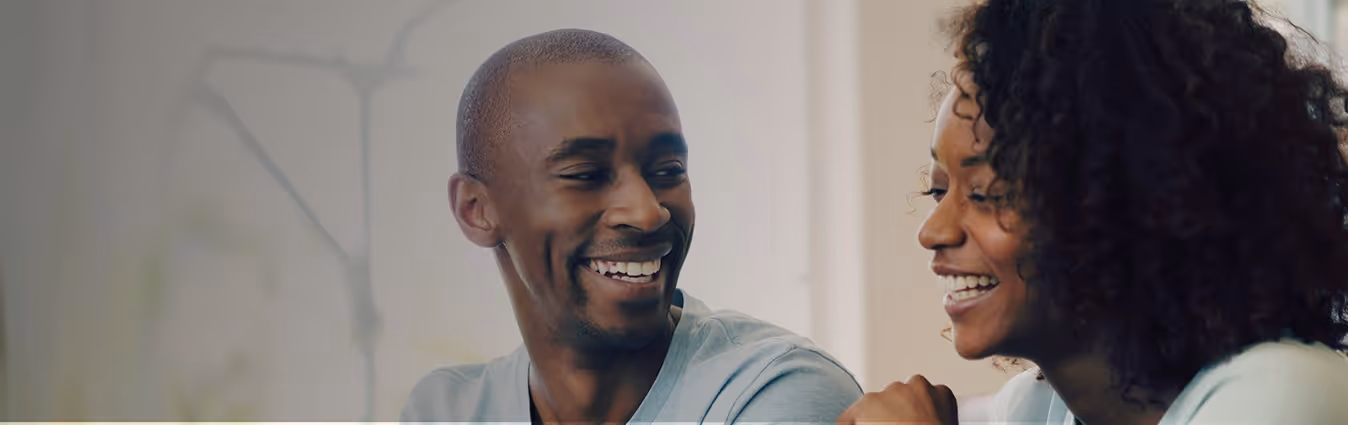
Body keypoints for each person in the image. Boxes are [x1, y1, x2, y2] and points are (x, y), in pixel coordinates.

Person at [838, 0, 1348, 423]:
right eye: (938, 191)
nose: (933, 231)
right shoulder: (1034, 411)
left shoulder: (1287, 393)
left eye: (985, 192)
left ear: (1130, 198)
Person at [401, 29, 861, 424]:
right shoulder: (446, 409)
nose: (647, 213)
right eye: (585, 174)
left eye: (668, 171)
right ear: (477, 210)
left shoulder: (777, 391)